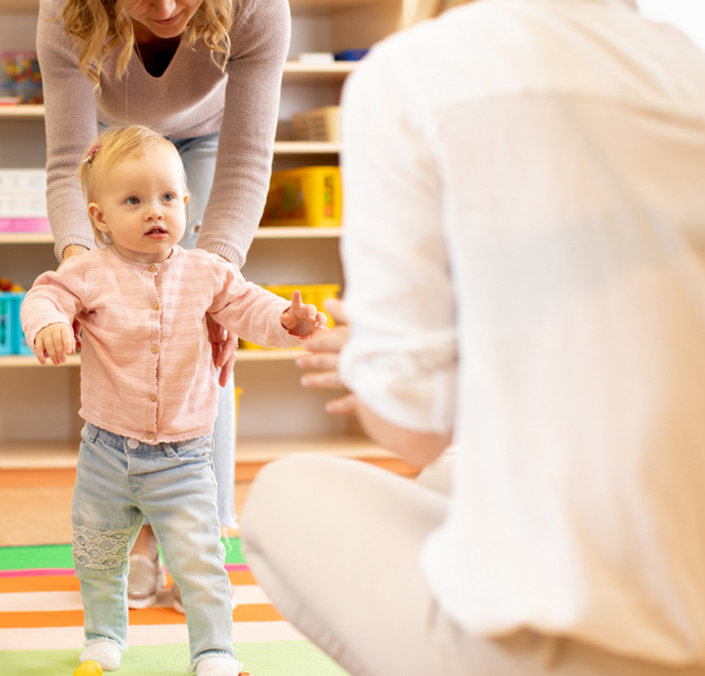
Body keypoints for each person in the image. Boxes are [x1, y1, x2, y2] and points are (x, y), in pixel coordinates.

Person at [241, 0, 705, 674]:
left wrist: (378, 361)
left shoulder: (411, 74)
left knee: (285, 494)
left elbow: (413, 425)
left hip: (586, 644)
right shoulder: (684, 64)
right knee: (448, 476)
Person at [21, 125, 327, 676]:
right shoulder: (89, 271)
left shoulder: (207, 272)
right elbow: (47, 294)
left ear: (186, 203)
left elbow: (250, 307)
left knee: (200, 560)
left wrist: (287, 320)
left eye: (167, 197)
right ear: (99, 218)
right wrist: (49, 323)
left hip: (184, 457)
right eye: (133, 200)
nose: (154, 211)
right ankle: (104, 636)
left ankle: (214, 650)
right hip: (106, 453)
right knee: (97, 555)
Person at [37, 0, 290, 605]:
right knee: (123, 321)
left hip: (206, 142)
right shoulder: (63, 13)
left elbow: (246, 161)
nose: (169, 7)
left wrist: (215, 288)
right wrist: (79, 267)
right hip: (106, 144)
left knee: (203, 331)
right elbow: (67, 160)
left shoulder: (256, 9)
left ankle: (198, 541)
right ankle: (135, 538)